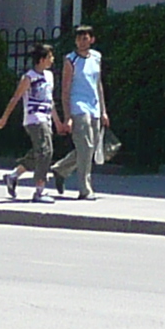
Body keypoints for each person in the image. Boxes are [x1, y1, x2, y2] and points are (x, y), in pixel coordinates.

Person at [0, 44, 60, 201]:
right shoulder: (28, 77)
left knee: (38, 151)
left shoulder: (50, 76)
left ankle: (13, 176)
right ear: (42, 59)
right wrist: (4, 118)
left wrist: (57, 121)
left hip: (46, 118)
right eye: (50, 57)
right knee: (46, 152)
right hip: (34, 119)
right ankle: (39, 190)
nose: (53, 60)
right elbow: (15, 98)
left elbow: (50, 101)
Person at [55, 25, 107, 201]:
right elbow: (65, 89)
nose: (81, 42)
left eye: (85, 38)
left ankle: (61, 169)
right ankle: (85, 188)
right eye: (78, 39)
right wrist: (67, 116)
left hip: (95, 106)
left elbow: (98, 84)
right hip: (78, 106)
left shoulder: (97, 57)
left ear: (91, 39)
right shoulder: (71, 60)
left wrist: (104, 110)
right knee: (85, 145)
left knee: (89, 147)